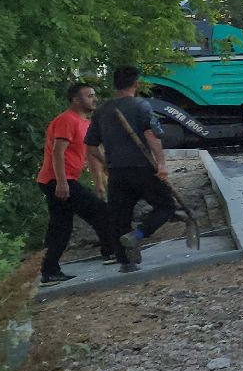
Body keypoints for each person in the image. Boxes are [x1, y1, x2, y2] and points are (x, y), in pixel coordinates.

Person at [87, 65, 182, 273]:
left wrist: (105, 163)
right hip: (142, 168)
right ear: (136, 84)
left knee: (119, 218)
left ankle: (126, 263)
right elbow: (152, 137)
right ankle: (136, 236)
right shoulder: (141, 106)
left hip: (117, 173)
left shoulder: (103, 110)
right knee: (166, 206)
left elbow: (91, 145)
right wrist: (162, 165)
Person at [35, 82, 119, 286]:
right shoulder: (67, 120)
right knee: (100, 212)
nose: (94, 99)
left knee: (61, 227)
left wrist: (104, 170)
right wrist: (62, 183)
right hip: (58, 180)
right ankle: (110, 252)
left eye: (94, 95)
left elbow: (91, 151)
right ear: (76, 100)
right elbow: (57, 152)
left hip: (60, 180)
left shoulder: (85, 123)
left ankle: (49, 271)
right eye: (89, 96)